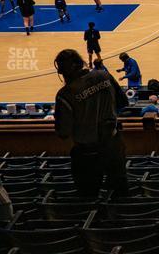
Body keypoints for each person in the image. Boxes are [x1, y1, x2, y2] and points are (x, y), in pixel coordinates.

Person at [53, 48, 128, 197]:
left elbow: (63, 132)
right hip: (113, 144)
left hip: (87, 152)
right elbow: (122, 102)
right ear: (81, 63)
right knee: (120, 192)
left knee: (88, 197)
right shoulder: (104, 75)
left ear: (62, 72)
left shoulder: (65, 94)